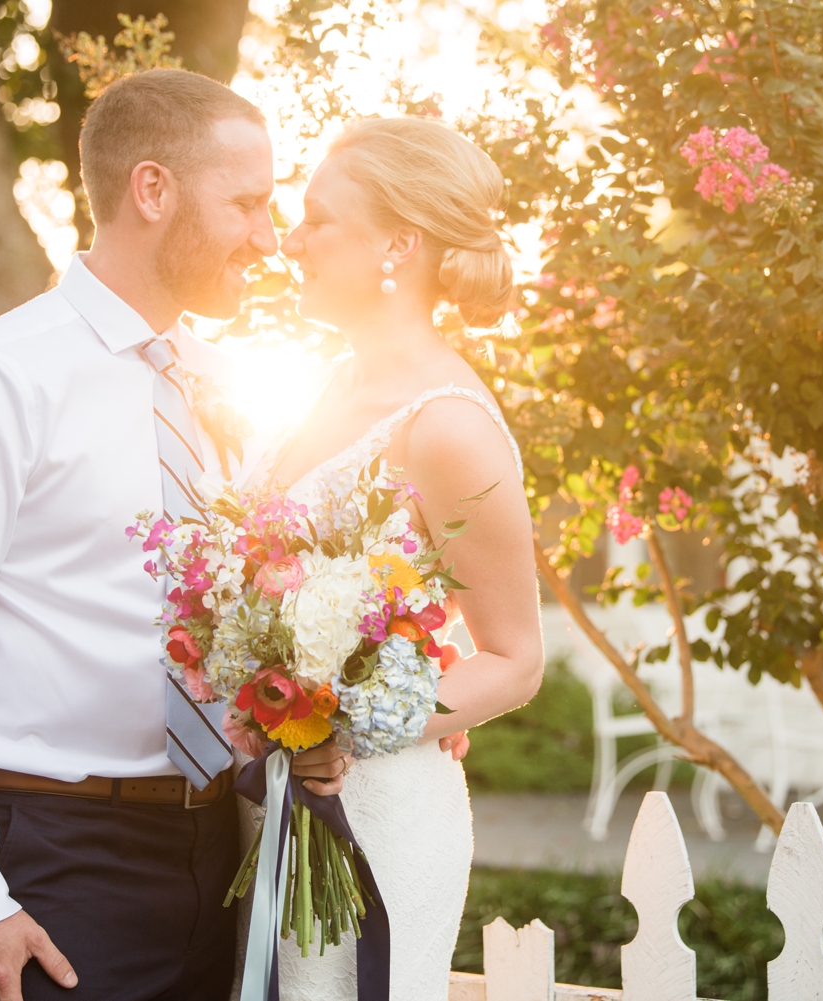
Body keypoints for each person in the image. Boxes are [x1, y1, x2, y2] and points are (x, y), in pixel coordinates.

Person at [0, 69, 371, 1001]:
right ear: (152, 189)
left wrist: (344, 708)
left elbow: (257, 608)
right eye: (248, 204)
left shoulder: (234, 392)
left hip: (224, 852)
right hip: (57, 861)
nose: (268, 237)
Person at [247, 116, 546, 1001]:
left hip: (371, 811)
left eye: (317, 219)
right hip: (283, 801)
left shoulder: (446, 423)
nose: (291, 241)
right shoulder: (332, 383)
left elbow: (516, 657)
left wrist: (346, 724)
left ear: (400, 244)